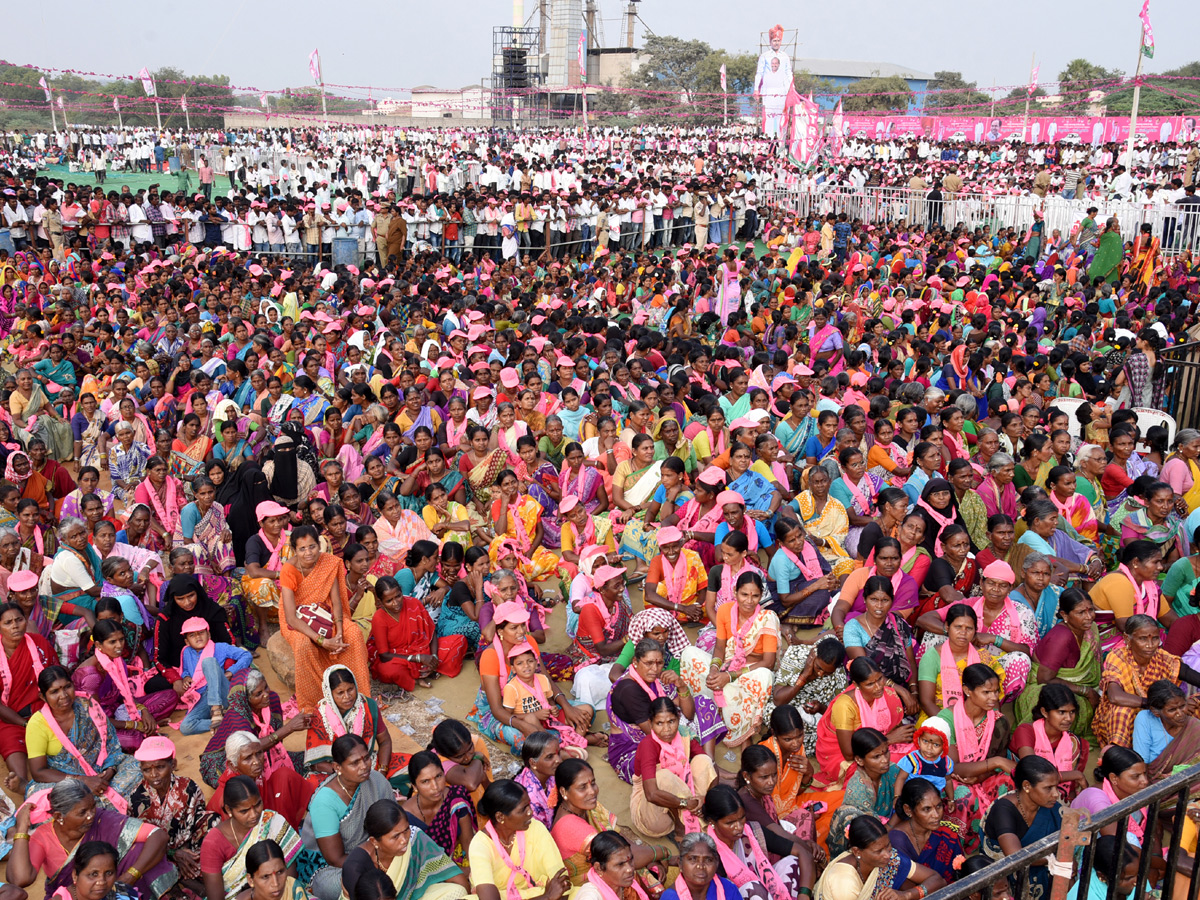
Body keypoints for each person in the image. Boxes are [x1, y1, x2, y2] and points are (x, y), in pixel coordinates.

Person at [8, 777, 178, 899]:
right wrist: (22, 828)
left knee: (138, 850)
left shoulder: (101, 818)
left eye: (92, 808)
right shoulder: (43, 837)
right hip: (74, 897)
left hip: (114, 889)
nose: (90, 816)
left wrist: (129, 876)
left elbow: (157, 836)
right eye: (82, 813)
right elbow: (20, 879)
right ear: (59, 816)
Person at [679, 571, 779, 746]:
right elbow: (720, 647)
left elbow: (768, 662)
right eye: (744, 594)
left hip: (750, 673)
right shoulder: (725, 610)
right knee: (689, 653)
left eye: (755, 596)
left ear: (761, 596)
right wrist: (714, 670)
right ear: (735, 593)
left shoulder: (767, 618)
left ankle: (735, 722)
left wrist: (731, 676)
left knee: (765, 676)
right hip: (727, 666)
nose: (749, 601)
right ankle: (710, 706)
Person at [278, 525, 370, 712]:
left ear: (319, 546)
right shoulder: (288, 570)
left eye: (312, 546)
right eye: (302, 549)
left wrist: (340, 631)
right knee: (304, 643)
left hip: (326, 612)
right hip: (297, 618)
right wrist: (321, 640)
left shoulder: (329, 563)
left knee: (353, 633)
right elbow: (290, 617)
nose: (308, 552)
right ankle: (315, 701)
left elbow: (336, 602)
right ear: (295, 550)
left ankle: (360, 695)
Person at [24, 665, 142, 809]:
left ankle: (96, 809)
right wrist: (82, 781)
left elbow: (109, 742)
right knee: (45, 800)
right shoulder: (37, 724)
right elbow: (38, 772)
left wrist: (110, 769)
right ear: (43, 696)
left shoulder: (87, 704)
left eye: (67, 687)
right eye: (54, 691)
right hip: (67, 782)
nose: (64, 695)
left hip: (102, 773)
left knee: (138, 766)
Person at [303, 734, 396, 900]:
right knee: (366, 887)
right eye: (355, 763)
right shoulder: (325, 801)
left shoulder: (376, 780)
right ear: (337, 767)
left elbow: (394, 822)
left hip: (377, 853)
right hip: (332, 867)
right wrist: (378, 864)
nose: (364, 766)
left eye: (366, 758)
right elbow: (335, 858)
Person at [934, 663, 1015, 851]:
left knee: (1008, 782)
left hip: (982, 775)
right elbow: (953, 767)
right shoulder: (947, 719)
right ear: (967, 691)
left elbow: (1000, 757)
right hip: (951, 778)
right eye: (986, 692)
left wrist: (981, 776)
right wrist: (994, 762)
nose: (994, 698)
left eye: (996, 691)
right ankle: (955, 847)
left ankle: (1000, 838)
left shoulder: (999, 721)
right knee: (964, 795)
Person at [551, 758, 669, 888]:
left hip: (613, 867)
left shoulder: (586, 806)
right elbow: (622, 858)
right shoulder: (570, 826)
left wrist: (649, 859)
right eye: (582, 787)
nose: (592, 791)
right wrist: (662, 851)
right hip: (589, 887)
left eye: (593, 783)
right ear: (563, 792)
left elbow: (618, 838)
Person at [128, 735, 219, 894]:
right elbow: (138, 840)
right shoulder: (137, 798)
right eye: (147, 770)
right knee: (141, 858)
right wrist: (173, 853)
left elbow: (198, 818)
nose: (154, 775)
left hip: (188, 845)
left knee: (214, 821)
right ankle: (186, 878)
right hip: (161, 854)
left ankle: (188, 873)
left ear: (173, 765)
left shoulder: (188, 787)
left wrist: (185, 850)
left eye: (160, 767)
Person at [1093, 613, 1200, 747]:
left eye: (1155, 638)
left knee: (1195, 704)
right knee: (1122, 712)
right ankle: (1120, 756)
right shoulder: (1117, 657)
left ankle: (1184, 751)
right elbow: (1115, 696)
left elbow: (1187, 673)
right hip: (1131, 712)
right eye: (1143, 639)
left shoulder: (1163, 657)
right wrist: (1158, 705)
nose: (1150, 645)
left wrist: (1180, 704)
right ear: (1127, 638)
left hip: (1161, 711)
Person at [72, 619, 179, 749]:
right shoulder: (91, 676)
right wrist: (133, 725)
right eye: (112, 642)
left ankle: (147, 725)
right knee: (134, 740)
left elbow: (125, 695)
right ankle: (145, 728)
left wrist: (144, 711)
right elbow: (96, 718)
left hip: (118, 709)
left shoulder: (117, 660)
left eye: (121, 640)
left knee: (170, 696)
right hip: (97, 723)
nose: (119, 645)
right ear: (98, 645)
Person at [199, 668, 308, 790]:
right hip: (227, 760)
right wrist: (290, 727)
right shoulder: (237, 716)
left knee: (308, 761)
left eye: (266, 687)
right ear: (246, 699)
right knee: (246, 785)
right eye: (258, 694)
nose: (266, 694)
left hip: (261, 754)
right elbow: (249, 750)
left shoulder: (272, 700)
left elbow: (276, 742)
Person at [339, 798, 469, 900]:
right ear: (374, 841)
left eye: (405, 830)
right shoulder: (354, 867)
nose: (404, 840)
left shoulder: (415, 837)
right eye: (395, 836)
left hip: (414, 896)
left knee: (457, 892)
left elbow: (453, 875)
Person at [200, 774, 305, 900]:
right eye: (244, 811)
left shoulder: (272, 822)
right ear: (229, 809)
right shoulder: (213, 843)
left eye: (258, 805)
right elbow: (215, 898)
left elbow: (289, 877)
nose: (254, 814)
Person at [813, 657, 912, 788]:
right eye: (870, 684)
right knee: (897, 764)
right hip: (848, 757)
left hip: (878, 746)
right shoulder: (845, 706)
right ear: (856, 684)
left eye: (880, 679)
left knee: (920, 752)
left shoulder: (887, 694)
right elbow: (848, 754)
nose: (878, 687)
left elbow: (893, 728)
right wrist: (888, 740)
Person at [1014, 589, 1102, 738]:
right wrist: (1086, 692)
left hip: (1079, 685)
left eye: (1091, 610)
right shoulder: (1061, 638)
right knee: (1068, 707)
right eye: (1081, 612)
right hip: (1043, 686)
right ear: (1064, 615)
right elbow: (1045, 679)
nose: (1089, 617)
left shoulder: (1090, 628)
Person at [629, 697, 718, 841]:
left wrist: (704, 798)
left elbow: (709, 768)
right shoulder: (648, 745)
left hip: (685, 797)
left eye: (671, 721)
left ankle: (697, 810)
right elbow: (651, 794)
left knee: (704, 761)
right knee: (664, 776)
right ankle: (681, 825)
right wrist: (684, 803)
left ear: (678, 719)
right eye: (659, 723)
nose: (667, 729)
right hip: (653, 815)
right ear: (650, 724)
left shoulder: (684, 734)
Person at [468, 779, 572, 900]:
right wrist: (547, 897)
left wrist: (551, 895)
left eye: (529, 805)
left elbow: (562, 884)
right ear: (500, 817)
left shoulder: (535, 827)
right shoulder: (480, 845)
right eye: (523, 809)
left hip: (537, 892)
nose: (530, 812)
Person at [981, 756, 1063, 899]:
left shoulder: (1052, 808)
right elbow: (1017, 858)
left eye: (1056, 787)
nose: (1056, 794)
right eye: (1048, 788)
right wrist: (1056, 859)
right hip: (1008, 882)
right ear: (1026, 786)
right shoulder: (1004, 810)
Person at [813, 815, 945, 900]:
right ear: (857, 851)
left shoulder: (889, 857)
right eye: (878, 851)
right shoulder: (843, 882)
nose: (887, 854)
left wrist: (907, 895)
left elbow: (937, 880)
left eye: (888, 845)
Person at [0, 599, 58, 791]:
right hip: (9, 716)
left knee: (55, 742)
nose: (15, 626)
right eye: (7, 622)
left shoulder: (39, 642)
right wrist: (25, 724)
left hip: (41, 709)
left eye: (19, 619)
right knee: (11, 744)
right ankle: (22, 783)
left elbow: (54, 677)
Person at [305, 664, 399, 782]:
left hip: (366, 764)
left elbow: (384, 741)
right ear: (330, 693)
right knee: (317, 788)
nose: (347, 697)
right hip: (334, 771)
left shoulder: (368, 706)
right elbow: (316, 762)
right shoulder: (320, 714)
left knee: (408, 770)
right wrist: (347, 773)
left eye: (350, 689)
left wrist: (382, 771)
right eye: (340, 693)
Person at [207, 730, 315, 831]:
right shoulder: (227, 798)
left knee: (284, 776)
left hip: (263, 812)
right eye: (248, 758)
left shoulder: (254, 777)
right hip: (248, 836)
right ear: (233, 765)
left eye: (258, 754)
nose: (256, 762)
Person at [1009, 683, 1088, 801]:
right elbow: (1033, 771)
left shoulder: (1077, 745)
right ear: (1045, 712)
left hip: (1058, 799)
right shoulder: (1027, 732)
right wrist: (1075, 775)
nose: (1068, 718)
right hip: (1023, 793)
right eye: (1061, 712)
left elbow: (1071, 790)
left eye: (1072, 712)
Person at [403, 750, 476, 868]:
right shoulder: (406, 816)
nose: (435, 787)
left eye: (438, 776)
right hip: (427, 871)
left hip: (459, 862)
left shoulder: (456, 798)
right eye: (425, 781)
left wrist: (475, 872)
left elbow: (468, 841)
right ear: (415, 786)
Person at [888, 777, 964, 882]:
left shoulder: (947, 834)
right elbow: (905, 885)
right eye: (927, 809)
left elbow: (960, 873)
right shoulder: (897, 840)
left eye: (939, 806)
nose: (936, 815)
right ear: (908, 810)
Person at [1132, 679, 1200, 779]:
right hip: (1155, 781)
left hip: (1188, 780)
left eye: (1182, 706)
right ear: (1155, 712)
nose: (1180, 714)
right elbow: (1142, 763)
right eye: (1172, 710)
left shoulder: (1194, 727)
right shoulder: (1145, 719)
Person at [244, 839, 312, 900]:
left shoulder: (292, 888)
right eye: (266, 876)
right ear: (250, 880)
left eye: (280, 872)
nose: (275, 883)